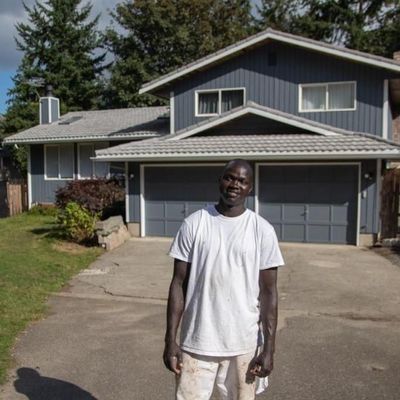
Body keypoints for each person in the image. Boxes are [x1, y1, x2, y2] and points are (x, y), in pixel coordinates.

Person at [163, 159, 284, 400]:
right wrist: (170, 340)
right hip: (197, 341)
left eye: (242, 181)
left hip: (244, 344)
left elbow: (269, 292)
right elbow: (178, 284)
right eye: (229, 177)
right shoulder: (194, 224)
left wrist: (269, 348)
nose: (235, 184)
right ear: (220, 181)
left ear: (250, 188)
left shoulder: (262, 230)